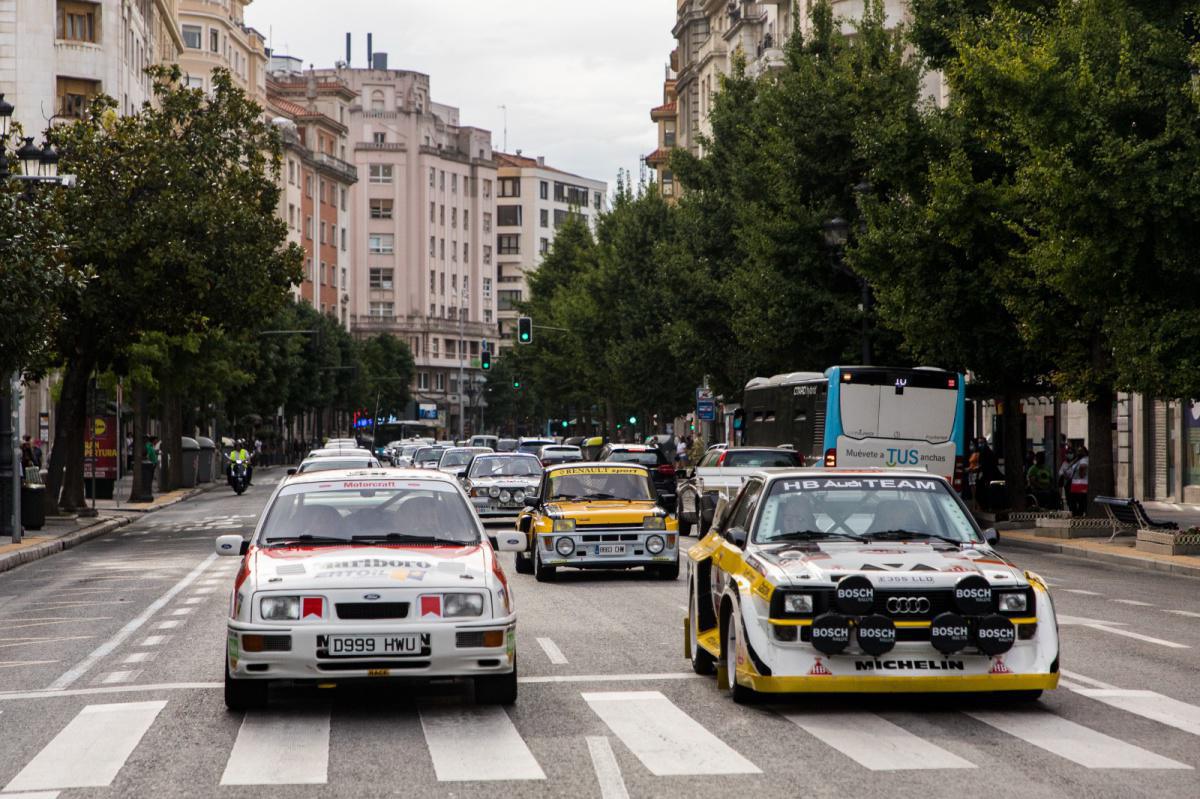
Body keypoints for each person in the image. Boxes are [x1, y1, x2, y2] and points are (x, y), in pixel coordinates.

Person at [1067, 446, 1089, 516]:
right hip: (1076, 484)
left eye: (1080, 451)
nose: (1079, 452)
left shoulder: (1084, 459)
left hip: (1081, 484)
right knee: (1074, 501)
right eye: (1078, 451)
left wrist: (1081, 473)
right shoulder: (1078, 460)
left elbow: (1083, 467)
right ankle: (1076, 514)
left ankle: (1078, 514)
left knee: (1079, 501)